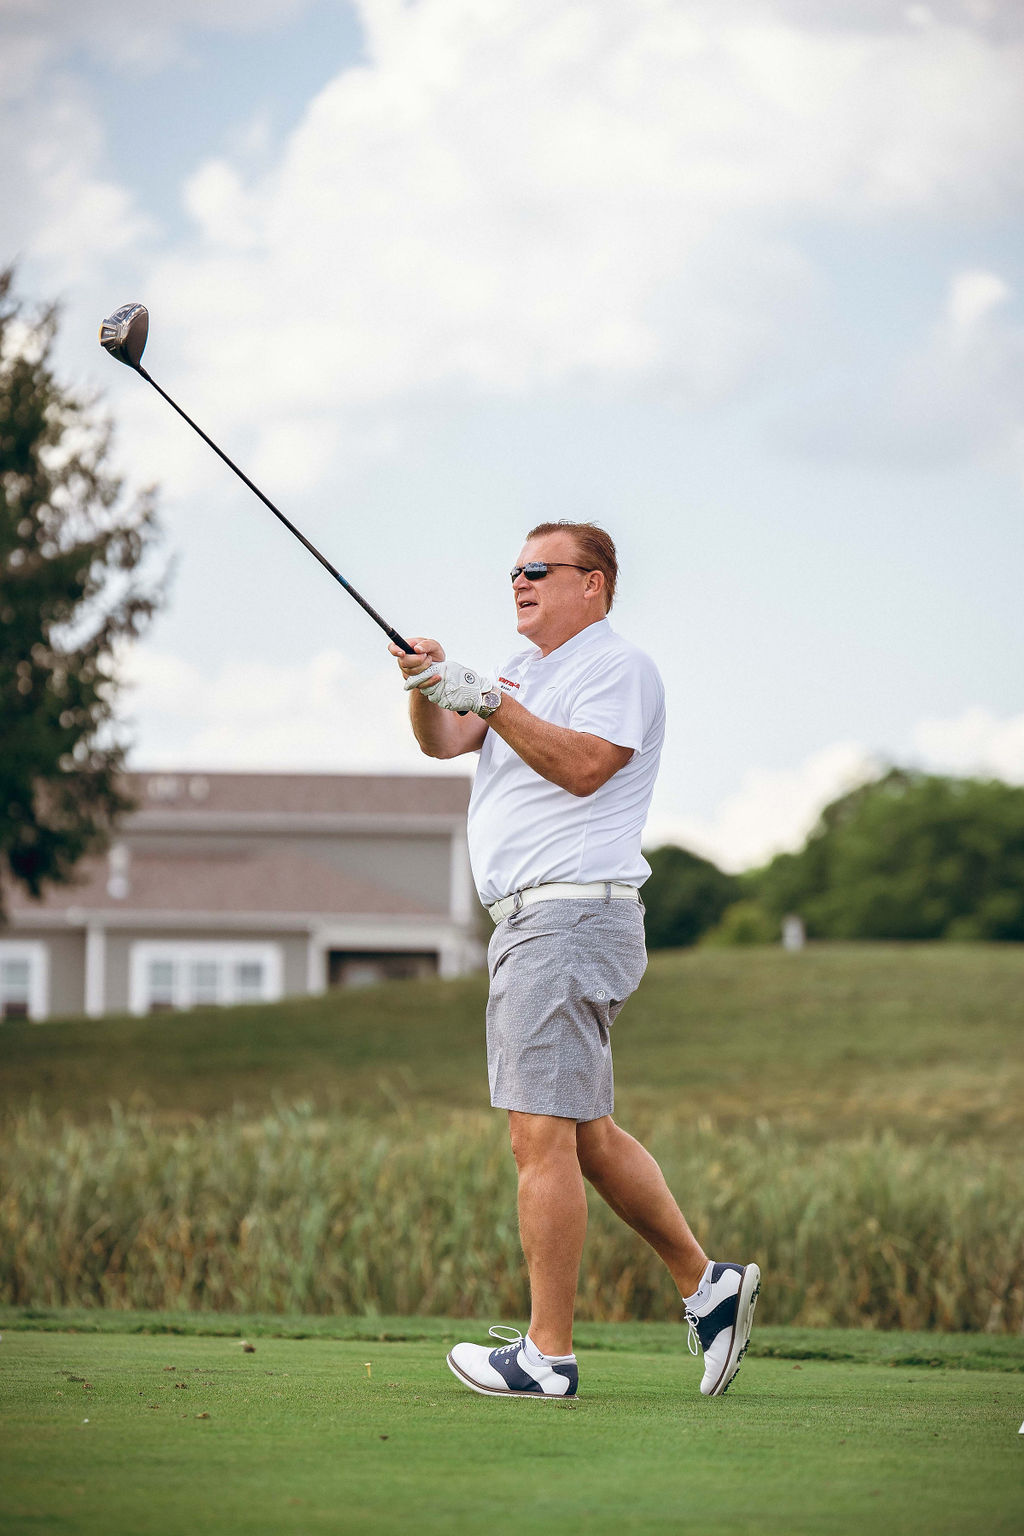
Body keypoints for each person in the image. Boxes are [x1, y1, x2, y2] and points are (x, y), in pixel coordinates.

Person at [390, 520, 759, 1400]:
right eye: (513, 570)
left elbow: (589, 766)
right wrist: (426, 685)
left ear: (592, 584)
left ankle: (546, 1357)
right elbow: (441, 742)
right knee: (584, 1135)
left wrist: (487, 698)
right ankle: (710, 1288)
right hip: (532, 922)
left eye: (538, 570)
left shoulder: (616, 667)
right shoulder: (526, 674)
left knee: (537, 1133)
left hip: (566, 916)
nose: (519, 582)